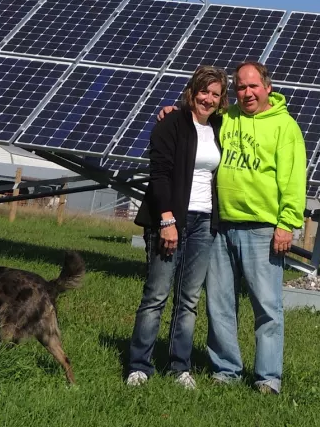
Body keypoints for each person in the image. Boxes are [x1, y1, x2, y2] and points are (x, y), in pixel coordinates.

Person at [159, 61, 307, 394]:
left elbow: (294, 181)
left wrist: (287, 224)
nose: (247, 93)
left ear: (267, 87)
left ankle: (268, 377)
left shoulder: (285, 127)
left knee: (266, 306)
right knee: (220, 303)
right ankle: (226, 369)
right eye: (240, 87)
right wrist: (175, 110)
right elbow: (198, 118)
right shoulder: (228, 120)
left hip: (263, 229)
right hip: (221, 224)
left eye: (253, 86)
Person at [126, 65, 228, 390]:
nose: (208, 99)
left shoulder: (221, 128)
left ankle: (179, 366)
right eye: (204, 91)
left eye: (215, 94)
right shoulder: (171, 123)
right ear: (192, 90)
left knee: (189, 300)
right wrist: (167, 220)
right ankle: (138, 366)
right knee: (156, 295)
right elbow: (159, 175)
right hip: (171, 219)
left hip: (204, 223)